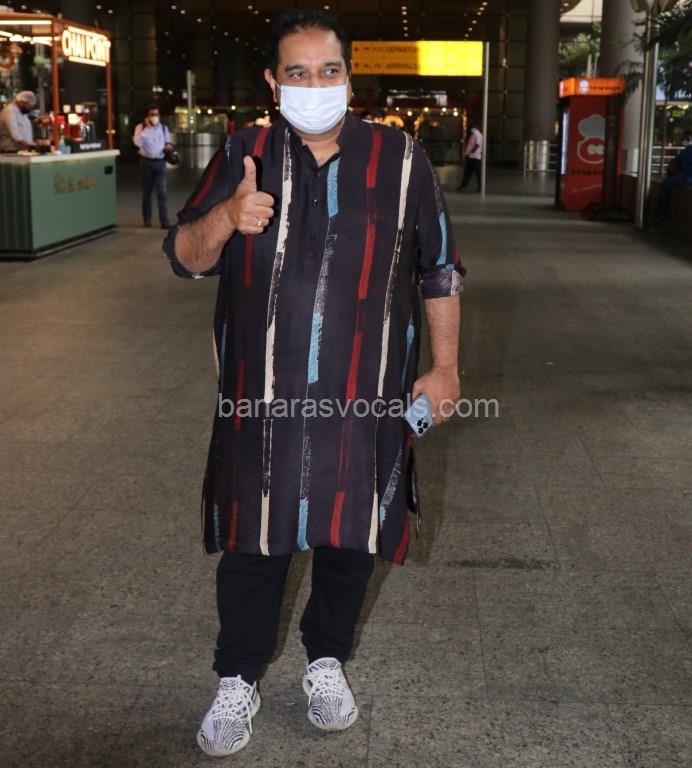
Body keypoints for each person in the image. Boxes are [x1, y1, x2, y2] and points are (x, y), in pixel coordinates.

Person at [162, 9, 464, 758]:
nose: (315, 84)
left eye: (329, 71)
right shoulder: (244, 152)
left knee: (351, 536)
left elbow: (439, 268)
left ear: (349, 78)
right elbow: (186, 256)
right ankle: (238, 676)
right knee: (253, 543)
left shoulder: (401, 159)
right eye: (297, 73)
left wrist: (446, 367)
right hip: (260, 397)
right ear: (274, 82)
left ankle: (326, 660)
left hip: (366, 395)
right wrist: (228, 216)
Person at [133, 105, 174, 228]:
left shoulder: (163, 128)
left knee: (162, 192)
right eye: (152, 114)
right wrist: (148, 128)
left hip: (160, 163)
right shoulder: (140, 128)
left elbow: (168, 142)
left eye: (156, 114)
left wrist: (169, 146)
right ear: (147, 116)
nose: (155, 117)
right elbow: (137, 142)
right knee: (147, 192)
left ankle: (164, 221)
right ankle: (147, 218)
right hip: (146, 163)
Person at [656, 130, 692, 222]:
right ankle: (662, 214)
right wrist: (673, 166)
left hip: (689, 179)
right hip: (682, 177)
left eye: (687, 138)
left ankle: (664, 215)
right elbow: (676, 162)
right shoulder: (685, 151)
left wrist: (682, 176)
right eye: (684, 138)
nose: (684, 140)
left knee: (667, 185)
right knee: (665, 184)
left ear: (691, 139)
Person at [457, 123, 483, 192]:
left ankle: (480, 187)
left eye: (472, 128)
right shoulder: (472, 135)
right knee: (467, 173)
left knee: (478, 174)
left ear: (476, 128)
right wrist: (467, 153)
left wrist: (470, 152)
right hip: (470, 157)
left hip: (476, 158)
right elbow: (470, 145)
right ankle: (463, 186)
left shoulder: (478, 135)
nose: (471, 130)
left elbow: (477, 145)